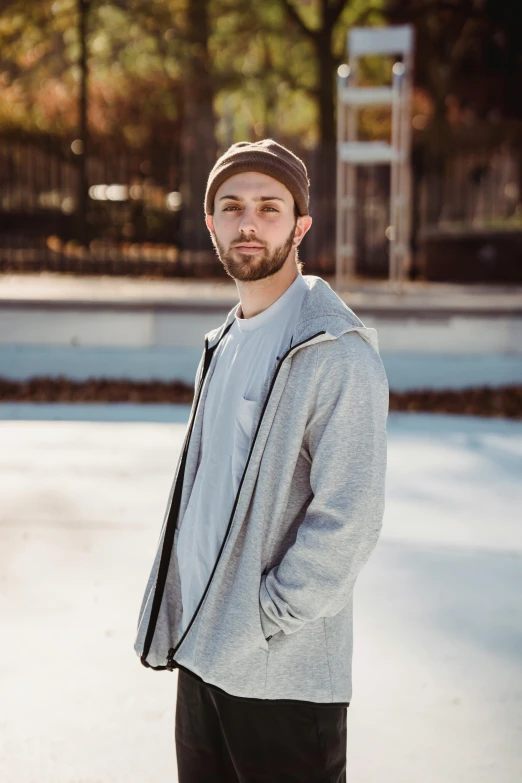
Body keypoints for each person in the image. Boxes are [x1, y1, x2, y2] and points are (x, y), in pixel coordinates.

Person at [134, 139, 389, 782]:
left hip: (282, 676)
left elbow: (349, 520)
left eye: (269, 208)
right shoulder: (222, 342)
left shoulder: (336, 351)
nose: (249, 223)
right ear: (211, 223)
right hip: (200, 652)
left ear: (301, 225)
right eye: (233, 206)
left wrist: (263, 620)